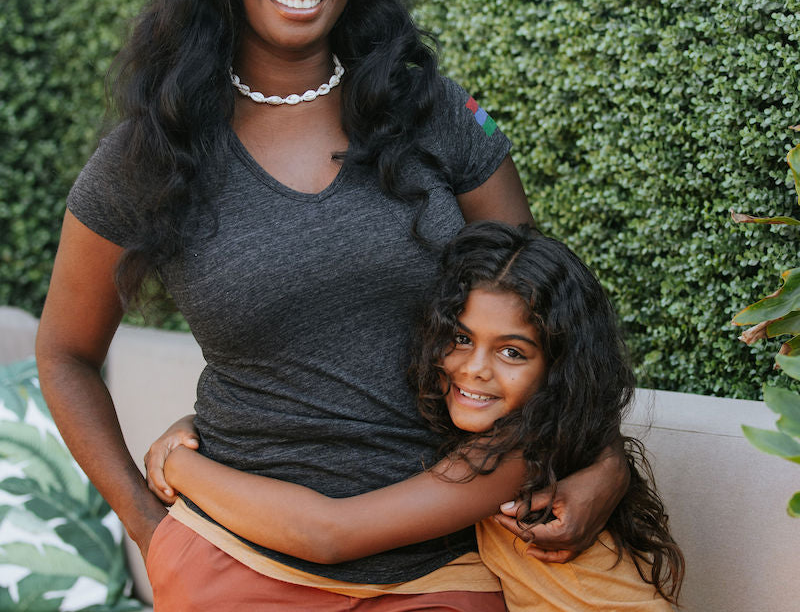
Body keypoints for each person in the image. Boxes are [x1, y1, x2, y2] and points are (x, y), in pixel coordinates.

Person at [35, 0, 628, 610]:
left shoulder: (435, 113)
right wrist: (150, 528)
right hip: (234, 561)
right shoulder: (156, 153)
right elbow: (66, 354)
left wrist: (605, 466)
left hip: (446, 559)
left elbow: (550, 322)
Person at [152, 222, 685, 610]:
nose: (474, 369)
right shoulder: (508, 431)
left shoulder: (518, 454)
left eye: (512, 352)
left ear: (560, 368)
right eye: (460, 338)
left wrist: (181, 465)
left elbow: (329, 534)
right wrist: (197, 424)